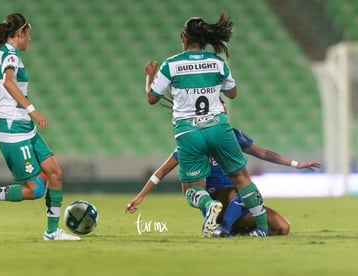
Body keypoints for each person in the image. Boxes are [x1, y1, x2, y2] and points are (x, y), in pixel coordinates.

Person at [144, 10, 273, 237]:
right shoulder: (217, 62)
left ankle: (208, 206)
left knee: (193, 189)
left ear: (184, 38)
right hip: (217, 127)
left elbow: (152, 99)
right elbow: (232, 94)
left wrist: (149, 77)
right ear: (205, 39)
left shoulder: (171, 65)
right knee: (242, 179)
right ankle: (262, 229)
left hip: (188, 132)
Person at [0, 13, 80, 241]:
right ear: (20, 33)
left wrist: (10, 106)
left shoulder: (1, 55)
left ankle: (52, 232)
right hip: (13, 130)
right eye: (29, 34)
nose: (30, 39)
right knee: (35, 189)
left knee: (55, 173)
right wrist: (31, 109)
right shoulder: (9, 53)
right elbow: (7, 82)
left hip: (23, 126)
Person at [126, 128, 322, 236]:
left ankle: (236, 232)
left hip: (241, 204)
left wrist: (297, 164)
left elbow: (263, 153)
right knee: (240, 188)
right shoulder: (193, 141)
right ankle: (223, 226)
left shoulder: (233, 136)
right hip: (218, 200)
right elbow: (163, 170)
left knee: (282, 228)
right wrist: (139, 197)